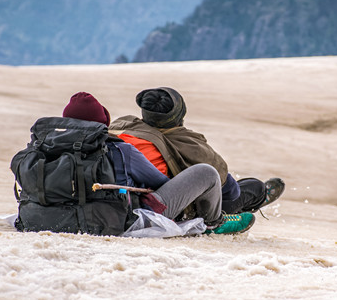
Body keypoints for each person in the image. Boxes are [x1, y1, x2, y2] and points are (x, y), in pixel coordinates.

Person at [61, 91, 255, 235]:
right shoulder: (122, 148)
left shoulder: (47, 148)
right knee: (218, 177)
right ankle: (215, 224)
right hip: (126, 217)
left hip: (67, 214)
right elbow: (160, 182)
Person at [108, 87, 285, 216]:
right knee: (252, 187)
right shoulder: (187, 142)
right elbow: (230, 190)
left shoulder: (122, 126)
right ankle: (259, 196)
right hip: (164, 205)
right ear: (179, 114)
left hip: (116, 198)